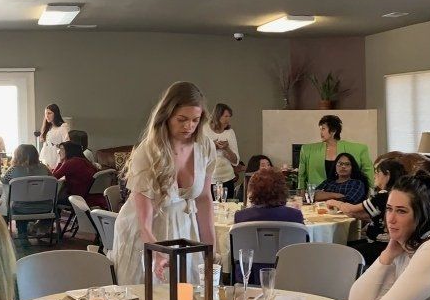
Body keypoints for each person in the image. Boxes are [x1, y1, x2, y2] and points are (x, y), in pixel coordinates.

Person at [109, 81, 215, 283]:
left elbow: (203, 199)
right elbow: (144, 219)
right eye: (181, 119)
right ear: (166, 116)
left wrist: (211, 252)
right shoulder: (148, 152)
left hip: (183, 228)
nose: (188, 126)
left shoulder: (205, 147)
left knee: (187, 298)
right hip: (146, 232)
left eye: (195, 120)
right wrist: (156, 251)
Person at [339, 155, 404, 266]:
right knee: (345, 246)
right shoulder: (399, 192)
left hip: (380, 246)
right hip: (385, 244)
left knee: (340, 251)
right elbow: (367, 215)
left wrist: (334, 203)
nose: (374, 176)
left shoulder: (383, 195)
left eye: (377, 172)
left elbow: (351, 210)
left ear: (387, 175)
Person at [294, 114, 371, 190]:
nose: (321, 132)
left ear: (333, 131)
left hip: (345, 191)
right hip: (318, 194)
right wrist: (302, 191)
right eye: (320, 129)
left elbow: (368, 171)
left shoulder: (359, 149)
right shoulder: (307, 150)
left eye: (323, 129)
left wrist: (370, 190)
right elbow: (302, 175)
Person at [235, 167, 303, 226]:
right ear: (283, 190)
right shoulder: (295, 215)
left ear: (253, 191)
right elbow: (304, 239)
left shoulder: (240, 217)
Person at [206, 103, 242, 200]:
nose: (228, 119)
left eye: (229, 116)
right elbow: (196, 154)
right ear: (217, 115)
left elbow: (235, 161)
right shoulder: (204, 130)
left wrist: (227, 149)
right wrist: (213, 147)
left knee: (227, 208)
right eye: (225, 116)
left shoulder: (230, 132)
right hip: (209, 179)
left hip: (227, 177)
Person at [35, 104, 71, 170]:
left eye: (49, 113)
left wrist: (62, 157)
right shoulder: (48, 128)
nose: (47, 116)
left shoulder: (62, 127)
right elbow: (42, 140)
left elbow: (67, 143)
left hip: (56, 157)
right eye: (45, 114)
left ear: (55, 114)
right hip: (45, 156)